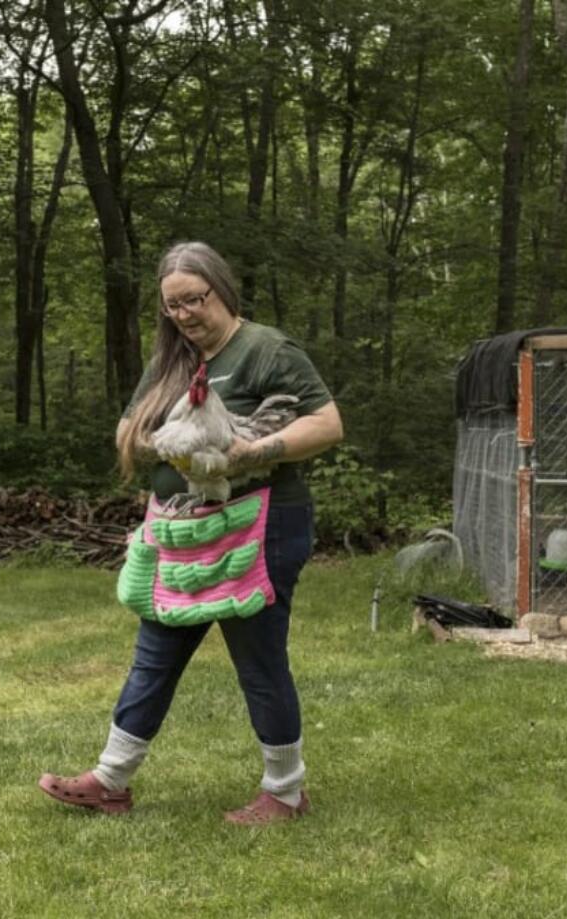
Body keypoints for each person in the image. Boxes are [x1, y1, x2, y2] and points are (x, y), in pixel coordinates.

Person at [38, 241, 343, 824]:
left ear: (221, 289)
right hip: (183, 531)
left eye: (194, 300)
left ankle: (285, 791)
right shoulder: (173, 360)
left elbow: (328, 424)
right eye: (172, 306)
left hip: (259, 525)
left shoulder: (266, 350)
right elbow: (129, 425)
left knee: (258, 658)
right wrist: (171, 451)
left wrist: (245, 453)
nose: (184, 315)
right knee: (155, 652)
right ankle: (111, 779)